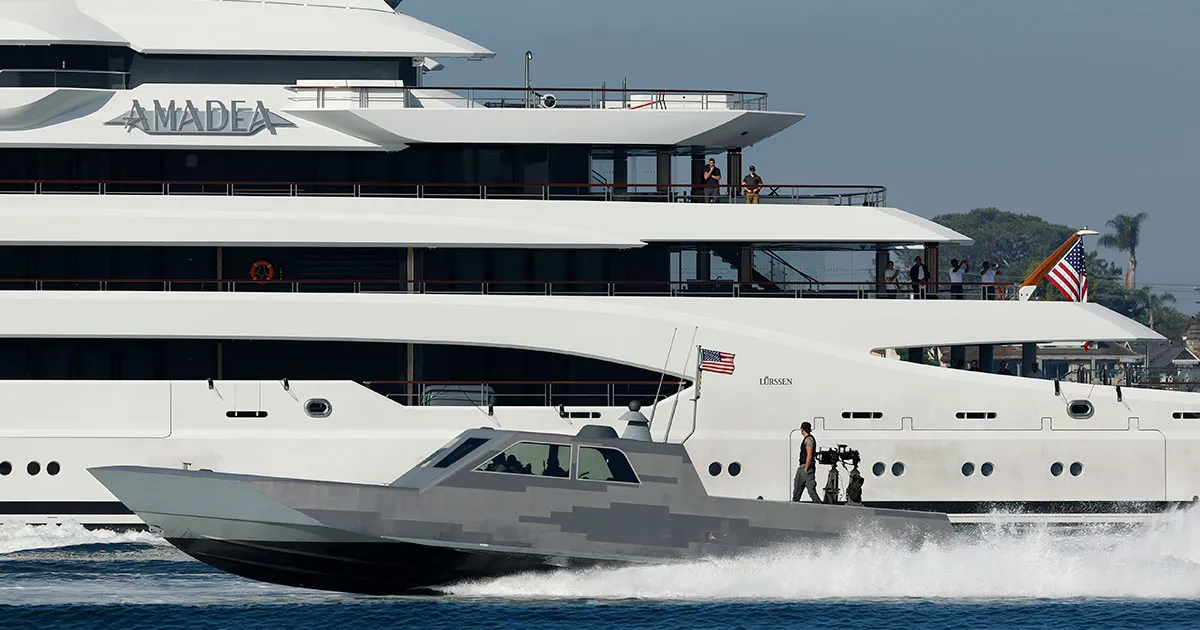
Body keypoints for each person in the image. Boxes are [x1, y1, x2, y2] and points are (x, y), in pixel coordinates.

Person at [791, 422, 821, 503]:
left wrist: (806, 468)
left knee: (811, 490)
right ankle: (794, 504)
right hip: (802, 467)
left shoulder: (808, 439)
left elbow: (809, 455)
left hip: (806, 467)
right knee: (797, 488)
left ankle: (818, 504)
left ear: (802, 429)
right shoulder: (808, 439)